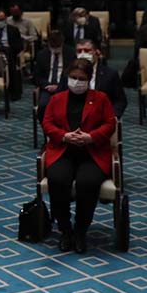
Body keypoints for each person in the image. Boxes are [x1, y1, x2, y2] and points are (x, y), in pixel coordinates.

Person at [41, 59, 116, 254]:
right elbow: (47, 124)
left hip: (92, 153)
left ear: (89, 79)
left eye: (81, 79)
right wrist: (64, 136)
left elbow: (110, 124)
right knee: (58, 180)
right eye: (73, 77)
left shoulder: (101, 98)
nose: (76, 82)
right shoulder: (57, 99)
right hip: (63, 150)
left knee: (87, 183)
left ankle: (81, 230)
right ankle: (65, 229)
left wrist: (91, 137)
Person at [75, 40, 126, 119]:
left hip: (102, 117)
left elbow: (120, 101)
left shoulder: (110, 74)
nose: (83, 54)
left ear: (97, 52)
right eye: (79, 51)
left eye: (87, 51)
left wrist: (113, 117)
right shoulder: (68, 74)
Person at [35, 30, 74, 120]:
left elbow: (73, 73)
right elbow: (37, 76)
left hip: (65, 87)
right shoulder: (42, 55)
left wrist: (59, 86)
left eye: (58, 47)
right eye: (53, 47)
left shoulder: (70, 53)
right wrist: (47, 85)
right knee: (43, 106)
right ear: (48, 44)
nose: (55, 49)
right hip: (48, 88)